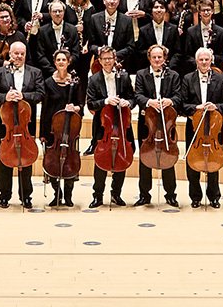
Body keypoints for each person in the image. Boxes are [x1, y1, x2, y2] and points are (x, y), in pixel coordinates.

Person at [0, 40, 43, 208]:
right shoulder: (0, 72)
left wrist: (23, 96)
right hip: (6, 125)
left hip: (25, 124)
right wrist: (5, 97)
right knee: (4, 160)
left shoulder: (35, 72)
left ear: (25, 55)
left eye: (22, 54)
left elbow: (40, 94)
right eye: (16, 54)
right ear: (10, 54)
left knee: (26, 160)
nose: (19, 56)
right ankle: (4, 195)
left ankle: (26, 196)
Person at [179, 48, 223, 208]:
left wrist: (215, 107)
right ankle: (195, 197)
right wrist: (197, 107)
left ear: (211, 61)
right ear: (196, 61)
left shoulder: (222, 79)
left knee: (214, 161)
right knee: (192, 161)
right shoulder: (187, 79)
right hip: (194, 127)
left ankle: (214, 196)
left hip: (214, 127)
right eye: (201, 60)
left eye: (206, 60)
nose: (203, 62)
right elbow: (182, 104)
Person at [83, 45, 133, 207]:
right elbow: (90, 103)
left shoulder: (123, 77)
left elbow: (133, 98)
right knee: (100, 160)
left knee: (122, 157)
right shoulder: (94, 79)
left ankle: (116, 194)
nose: (107, 62)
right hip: (103, 127)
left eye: (110, 59)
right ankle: (97, 195)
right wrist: (105, 101)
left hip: (122, 124)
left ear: (114, 59)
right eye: (104, 59)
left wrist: (128, 103)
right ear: (99, 61)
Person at [132, 44, 181, 208]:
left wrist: (171, 101)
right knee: (145, 158)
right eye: (154, 57)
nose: (157, 60)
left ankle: (170, 194)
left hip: (166, 121)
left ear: (165, 58)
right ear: (149, 58)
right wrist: (148, 102)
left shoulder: (173, 75)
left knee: (168, 154)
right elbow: (137, 95)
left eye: (160, 57)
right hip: (148, 123)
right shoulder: (141, 74)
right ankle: (144, 195)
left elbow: (178, 96)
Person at [39, 49, 83, 208]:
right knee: (52, 160)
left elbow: (81, 105)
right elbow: (44, 109)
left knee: (70, 159)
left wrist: (75, 108)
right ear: (55, 62)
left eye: (64, 60)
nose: (61, 62)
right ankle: (57, 193)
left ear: (68, 62)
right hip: (53, 129)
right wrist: (42, 133)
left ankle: (69, 195)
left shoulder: (76, 81)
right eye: (58, 60)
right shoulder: (48, 82)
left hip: (70, 129)